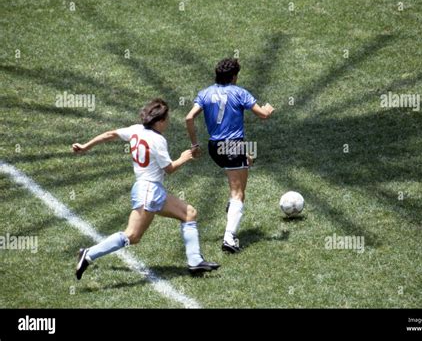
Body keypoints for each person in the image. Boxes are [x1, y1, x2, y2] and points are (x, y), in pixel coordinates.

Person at [72, 98, 220, 280]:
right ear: (159, 121)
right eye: (167, 118)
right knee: (132, 236)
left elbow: (110, 134)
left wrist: (86, 146)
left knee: (189, 213)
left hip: (151, 189)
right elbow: (170, 169)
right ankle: (88, 254)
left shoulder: (136, 130)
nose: (169, 121)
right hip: (148, 191)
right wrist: (185, 157)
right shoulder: (157, 140)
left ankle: (195, 261)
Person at [185, 58, 275, 253]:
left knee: (249, 155)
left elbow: (189, 117)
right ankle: (229, 238)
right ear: (234, 76)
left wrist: (194, 144)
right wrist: (268, 109)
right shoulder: (239, 92)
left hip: (214, 147)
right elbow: (263, 115)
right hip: (232, 146)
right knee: (238, 193)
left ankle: (234, 201)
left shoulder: (205, 93)